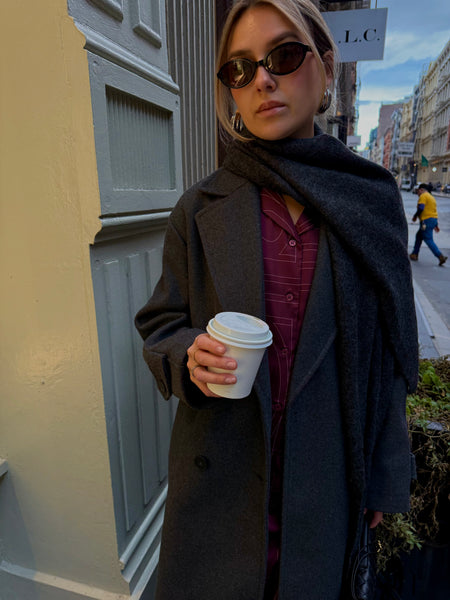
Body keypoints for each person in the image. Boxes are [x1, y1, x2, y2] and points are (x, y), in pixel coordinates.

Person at [135, 1, 418, 598]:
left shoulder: (370, 203)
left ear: (326, 66)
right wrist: (189, 356)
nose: (261, 80)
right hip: (222, 483)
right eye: (239, 69)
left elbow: (390, 352)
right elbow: (161, 324)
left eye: (283, 56)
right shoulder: (199, 208)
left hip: (327, 480)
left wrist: (385, 475)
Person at [410, 183, 447, 266]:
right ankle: (414, 254)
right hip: (433, 220)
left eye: (418, 191)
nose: (417, 193)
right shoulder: (431, 197)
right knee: (419, 236)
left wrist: (415, 216)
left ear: (421, 190)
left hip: (425, 221)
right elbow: (433, 211)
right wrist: (435, 225)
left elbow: (421, 208)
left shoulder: (423, 196)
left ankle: (440, 256)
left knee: (428, 239)